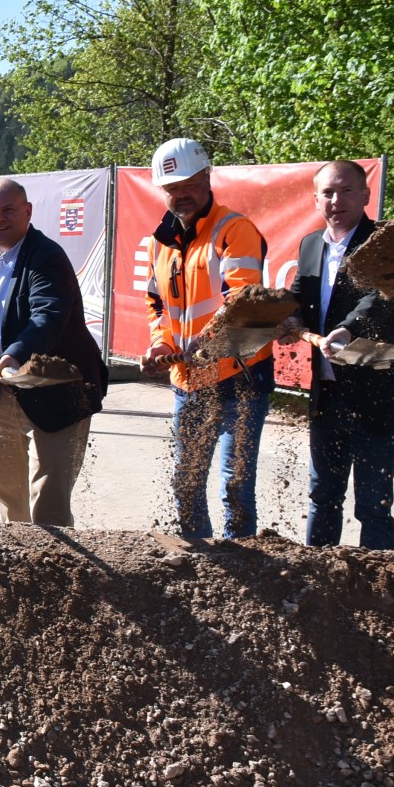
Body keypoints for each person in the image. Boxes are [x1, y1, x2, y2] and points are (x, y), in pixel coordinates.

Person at [0, 179, 107, 526]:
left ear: (28, 212)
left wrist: (16, 353)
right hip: (6, 389)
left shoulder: (47, 256)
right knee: (9, 490)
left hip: (59, 388)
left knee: (49, 497)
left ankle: (55, 556)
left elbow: (47, 315)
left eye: (8, 210)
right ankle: (17, 553)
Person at [290, 159, 394, 549]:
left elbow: (382, 298)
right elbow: (300, 296)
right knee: (323, 497)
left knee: (373, 506)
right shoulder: (311, 244)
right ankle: (319, 575)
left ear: (365, 195)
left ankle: (378, 583)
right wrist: (285, 315)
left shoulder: (385, 242)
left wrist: (348, 327)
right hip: (328, 394)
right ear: (316, 199)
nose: (336, 200)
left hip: (378, 396)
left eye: (346, 191)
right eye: (328, 193)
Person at [139, 137, 273, 539]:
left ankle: (242, 560)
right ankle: (199, 560)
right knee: (187, 481)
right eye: (172, 188)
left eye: (190, 185)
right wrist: (162, 343)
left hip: (239, 377)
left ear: (207, 178)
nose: (182, 194)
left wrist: (207, 339)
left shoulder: (234, 230)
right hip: (188, 380)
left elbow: (242, 299)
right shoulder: (159, 242)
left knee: (235, 484)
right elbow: (156, 303)